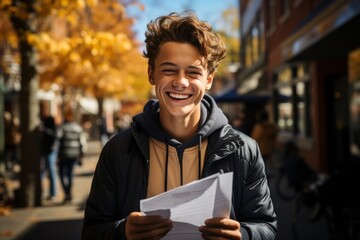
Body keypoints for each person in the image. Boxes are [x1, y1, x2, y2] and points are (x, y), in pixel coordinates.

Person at [83, 11, 277, 240]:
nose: (181, 81)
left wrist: (244, 235)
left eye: (193, 72)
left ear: (209, 79)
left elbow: (267, 227)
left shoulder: (245, 150)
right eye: (169, 70)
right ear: (151, 74)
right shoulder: (117, 150)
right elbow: (92, 232)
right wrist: (122, 232)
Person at [58, 109, 84, 203]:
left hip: (63, 154)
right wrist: (81, 155)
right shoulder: (78, 128)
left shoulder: (62, 127)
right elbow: (82, 142)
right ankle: (69, 192)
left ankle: (67, 192)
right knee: (70, 174)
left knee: (61, 174)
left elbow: (58, 140)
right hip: (74, 154)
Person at [40, 116, 60, 201]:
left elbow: (55, 137)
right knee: (43, 172)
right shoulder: (46, 130)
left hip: (50, 152)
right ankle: (46, 193)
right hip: (46, 152)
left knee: (51, 172)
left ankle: (53, 193)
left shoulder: (51, 130)